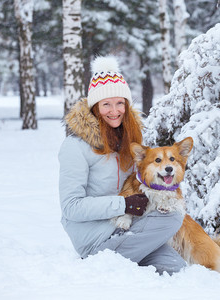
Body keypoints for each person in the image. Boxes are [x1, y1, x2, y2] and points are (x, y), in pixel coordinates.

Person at [58, 56, 186, 275]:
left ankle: (125, 261)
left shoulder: (128, 142)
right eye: (106, 104)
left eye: (119, 103)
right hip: (94, 238)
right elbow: (71, 208)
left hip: (127, 227)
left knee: (176, 268)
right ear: (95, 107)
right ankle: (99, 265)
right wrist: (122, 205)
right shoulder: (75, 146)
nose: (114, 110)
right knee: (172, 218)